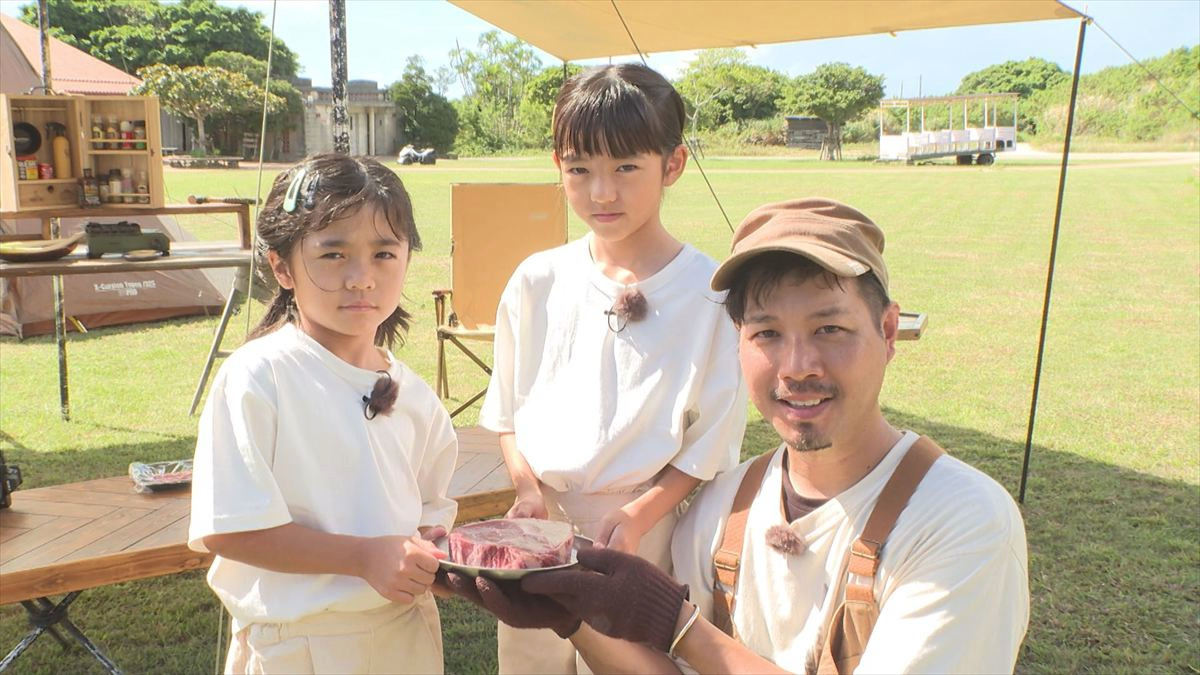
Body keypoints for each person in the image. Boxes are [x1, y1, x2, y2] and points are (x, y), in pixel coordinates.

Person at [448, 198, 1030, 674]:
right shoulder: (725, 508)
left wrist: (681, 629)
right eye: (768, 333)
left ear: (886, 331)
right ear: (736, 343)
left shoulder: (960, 520)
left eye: (830, 328)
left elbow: (686, 647)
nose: (797, 365)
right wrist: (570, 613)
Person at [477, 63, 747, 674]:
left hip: (642, 534)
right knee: (532, 660)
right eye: (580, 170)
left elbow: (711, 441)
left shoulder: (709, 294)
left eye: (626, 168)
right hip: (539, 530)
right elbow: (508, 409)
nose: (602, 192)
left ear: (672, 165)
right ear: (558, 167)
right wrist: (526, 489)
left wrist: (639, 514)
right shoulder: (537, 280)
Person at [188, 154, 458, 674]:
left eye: (383, 253)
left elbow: (428, 513)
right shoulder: (259, 377)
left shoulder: (416, 397)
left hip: (406, 637)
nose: (361, 278)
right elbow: (228, 529)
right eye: (333, 254)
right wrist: (362, 558)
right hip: (299, 646)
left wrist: (432, 555)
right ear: (282, 267)